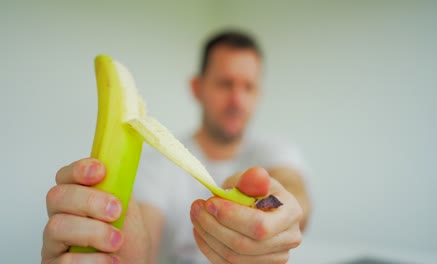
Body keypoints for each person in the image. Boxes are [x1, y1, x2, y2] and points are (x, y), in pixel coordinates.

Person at [42, 30, 312, 264]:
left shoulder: (276, 150)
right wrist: (115, 247)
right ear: (197, 88)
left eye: (248, 87)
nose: (237, 100)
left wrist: (285, 212)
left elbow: (293, 188)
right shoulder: (155, 166)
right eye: (225, 84)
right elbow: (143, 238)